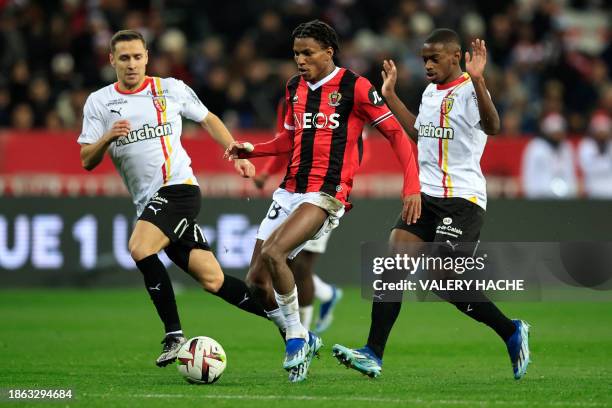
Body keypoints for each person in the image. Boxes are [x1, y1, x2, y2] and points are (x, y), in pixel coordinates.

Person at [225, 20, 421, 382]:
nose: (300, 60)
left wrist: (411, 186)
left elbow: (397, 135)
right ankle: (305, 336)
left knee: (274, 254)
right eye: (296, 53)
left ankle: (296, 337)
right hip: (289, 190)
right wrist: (254, 148)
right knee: (255, 283)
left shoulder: (354, 86)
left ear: (328, 52)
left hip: (327, 192)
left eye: (308, 53)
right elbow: (288, 140)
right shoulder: (294, 88)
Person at [332, 29, 531, 380]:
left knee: (445, 281)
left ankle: (511, 330)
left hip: (462, 199)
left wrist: (481, 81)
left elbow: (494, 125)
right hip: (426, 196)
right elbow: (418, 133)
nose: (427, 64)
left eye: (434, 58)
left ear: (456, 57)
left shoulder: (471, 89)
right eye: (424, 58)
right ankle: (373, 353)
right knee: (391, 268)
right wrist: (390, 96)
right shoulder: (428, 93)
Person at [77, 30, 269, 368]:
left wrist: (236, 152)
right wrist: (108, 136)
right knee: (214, 280)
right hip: (149, 203)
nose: (132, 64)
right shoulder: (99, 102)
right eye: (124, 58)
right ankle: (291, 325)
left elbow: (208, 118)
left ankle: (173, 335)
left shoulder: (170, 89)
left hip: (179, 189)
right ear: (111, 61)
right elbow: (87, 160)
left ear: (147, 56)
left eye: (137, 57)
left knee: (139, 247)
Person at [254, 152, 343, 334]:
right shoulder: (292, 122)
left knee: (301, 267)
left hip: (323, 194)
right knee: (284, 263)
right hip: (294, 194)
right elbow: (286, 143)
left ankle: (305, 332)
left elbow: (354, 151)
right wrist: (267, 172)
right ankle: (327, 294)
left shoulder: (343, 125)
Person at [522, 112, 578, 198]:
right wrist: (530, 194)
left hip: (564, 196)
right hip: (540, 195)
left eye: (559, 132)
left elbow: (570, 172)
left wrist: (572, 193)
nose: (557, 135)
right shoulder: (536, 147)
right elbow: (528, 172)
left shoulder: (566, 147)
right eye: (554, 132)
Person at [577, 112, 611, 198]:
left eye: (604, 131)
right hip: (592, 189)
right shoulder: (586, 145)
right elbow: (586, 167)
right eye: (599, 131)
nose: (602, 134)